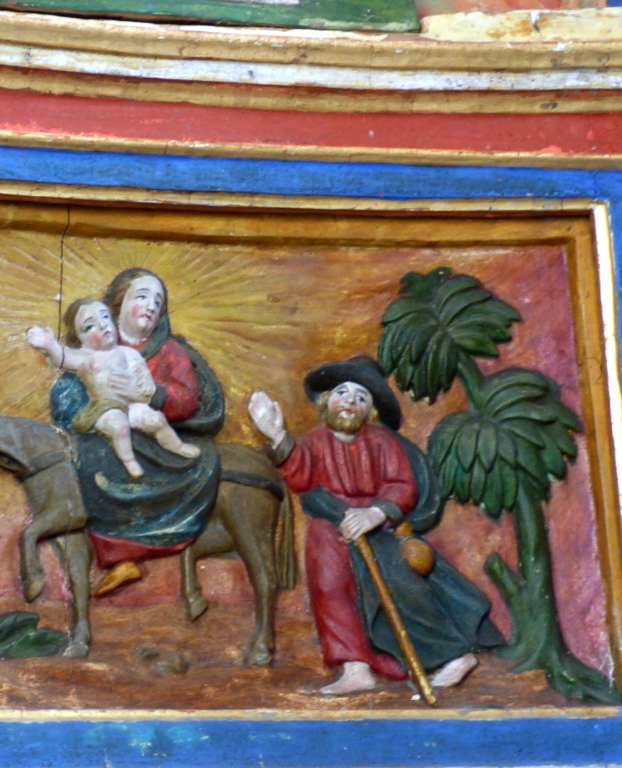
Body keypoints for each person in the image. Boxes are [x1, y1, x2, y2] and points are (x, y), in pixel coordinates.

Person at [249, 356, 502, 695]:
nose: (350, 401)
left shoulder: (383, 442)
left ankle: (455, 654)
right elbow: (301, 477)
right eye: (342, 392)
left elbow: (403, 485)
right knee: (330, 590)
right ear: (326, 401)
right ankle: (355, 668)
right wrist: (278, 435)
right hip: (329, 530)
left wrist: (375, 513)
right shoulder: (314, 441)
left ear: (371, 410)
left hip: (378, 531)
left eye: (361, 397)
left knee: (405, 589)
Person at [50, 269, 224, 597]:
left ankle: (161, 535)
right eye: (141, 296)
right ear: (117, 305)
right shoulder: (93, 350)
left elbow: (188, 398)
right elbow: (67, 391)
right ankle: (118, 557)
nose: (151, 305)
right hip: (110, 433)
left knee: (200, 460)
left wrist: (153, 393)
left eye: (158, 301)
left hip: (157, 435)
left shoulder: (171, 351)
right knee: (91, 460)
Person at [29, 298, 200, 478]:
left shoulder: (129, 353)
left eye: (105, 317)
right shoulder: (86, 357)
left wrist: (145, 385)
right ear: (80, 339)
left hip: (132, 405)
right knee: (119, 425)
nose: (102, 325)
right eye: (90, 326)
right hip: (104, 408)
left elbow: (143, 376)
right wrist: (50, 344)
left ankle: (177, 446)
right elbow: (62, 358)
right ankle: (129, 462)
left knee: (156, 419)